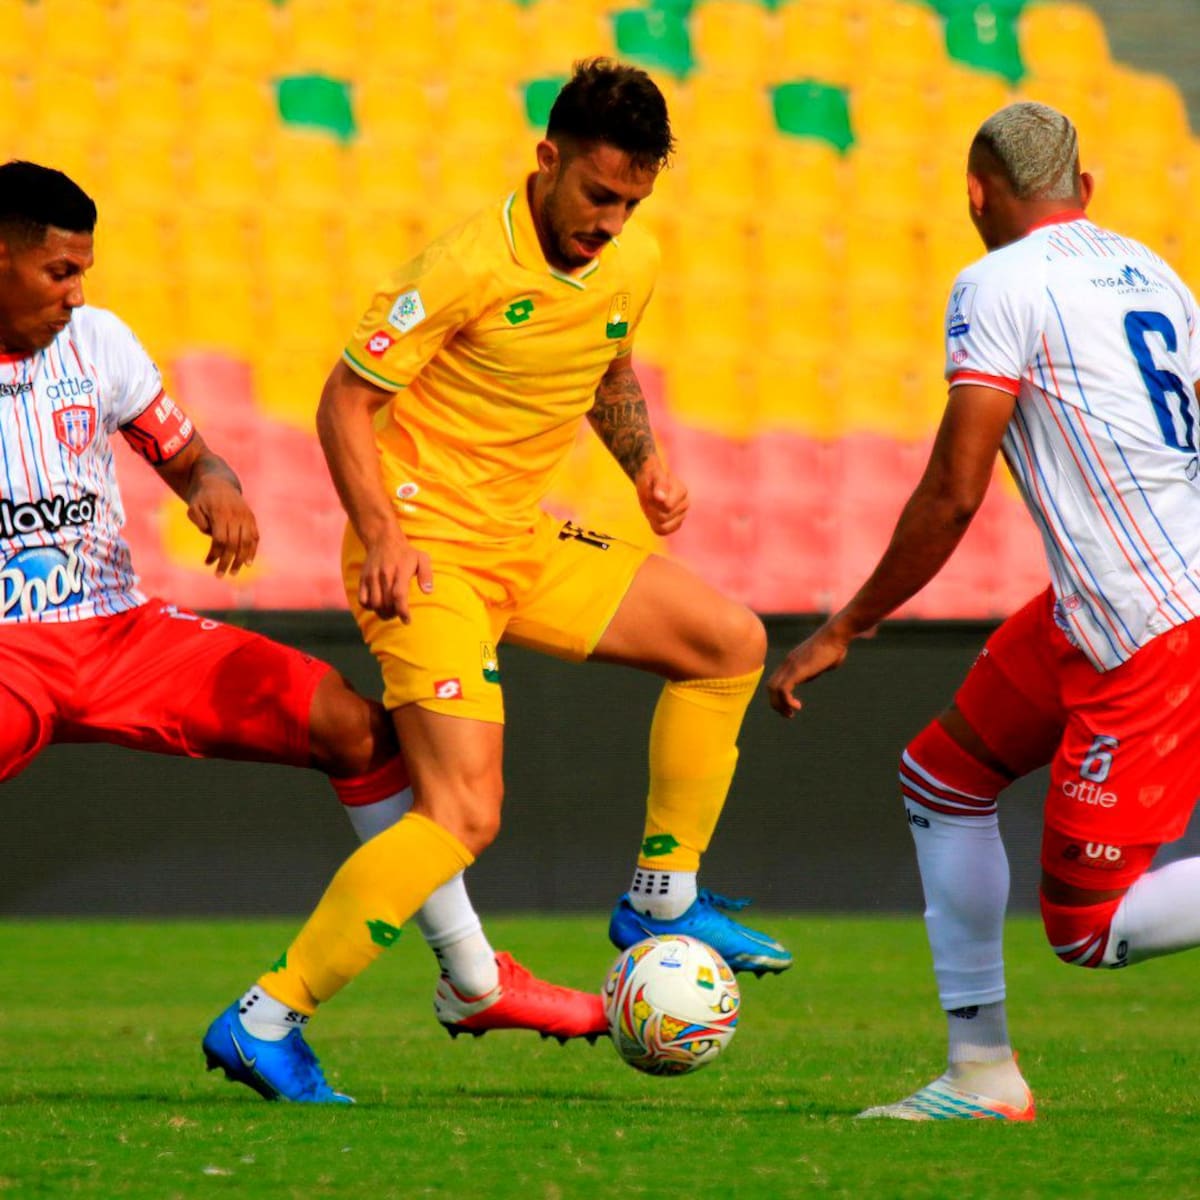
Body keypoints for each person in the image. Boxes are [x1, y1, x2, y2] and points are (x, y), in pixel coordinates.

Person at [205, 58, 791, 1102]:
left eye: (632, 202)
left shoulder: (630, 261)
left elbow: (607, 365)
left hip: (522, 539)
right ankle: (267, 1017)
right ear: (548, 159)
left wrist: (644, 462)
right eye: (598, 194)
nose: (610, 221)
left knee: (728, 644)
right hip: (425, 551)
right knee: (465, 812)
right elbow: (342, 401)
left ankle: (662, 896)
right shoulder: (466, 265)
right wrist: (382, 533)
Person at [0, 159, 607, 1104]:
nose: (77, 293)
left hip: (122, 635)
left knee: (355, 730)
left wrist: (215, 490)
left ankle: (473, 978)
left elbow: (192, 456)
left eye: (84, 271)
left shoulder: (100, 342)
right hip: (10, 654)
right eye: (59, 273)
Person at [768, 101, 1200, 1122]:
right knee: (943, 775)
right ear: (1085, 189)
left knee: (1087, 929)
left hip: (1149, 623)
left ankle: (985, 1074)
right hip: (1102, 602)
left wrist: (846, 623)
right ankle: (981, 1075)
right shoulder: (1157, 272)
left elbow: (954, 492)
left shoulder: (996, 281)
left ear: (975, 194)